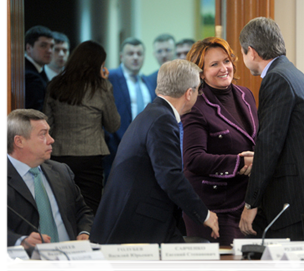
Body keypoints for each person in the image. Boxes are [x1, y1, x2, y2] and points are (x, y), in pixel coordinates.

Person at [90, 59, 219, 244]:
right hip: (136, 228)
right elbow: (170, 176)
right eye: (198, 89)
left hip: (135, 223)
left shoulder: (153, 113)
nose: (199, 94)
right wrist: (205, 214)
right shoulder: (162, 120)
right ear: (189, 93)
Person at [238, 17, 304, 240]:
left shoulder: (275, 79)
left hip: (296, 199)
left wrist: (251, 203)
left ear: (251, 51)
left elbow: (269, 144)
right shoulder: (295, 75)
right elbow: (295, 140)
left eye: (242, 53)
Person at [182, 37, 259, 245]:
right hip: (214, 210)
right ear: (201, 72)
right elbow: (193, 159)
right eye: (214, 64)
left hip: (247, 204)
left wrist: (257, 158)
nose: (223, 68)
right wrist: (240, 163)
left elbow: (256, 141)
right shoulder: (195, 106)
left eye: (226, 61)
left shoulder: (246, 95)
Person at [43, 40, 120, 215]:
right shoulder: (102, 88)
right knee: (90, 206)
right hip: (90, 156)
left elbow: (47, 123)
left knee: (60, 206)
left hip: (58, 154)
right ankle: (86, 239)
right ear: (97, 64)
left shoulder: (55, 84)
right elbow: (113, 125)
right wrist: (105, 85)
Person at [5, 109, 94, 249]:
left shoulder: (61, 171)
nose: (51, 140)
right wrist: (20, 241)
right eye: (43, 134)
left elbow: (82, 211)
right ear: (19, 141)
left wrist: (84, 231)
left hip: (72, 257)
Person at [103, 37, 157, 183]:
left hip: (146, 149)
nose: (135, 57)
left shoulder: (148, 82)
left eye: (139, 54)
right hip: (116, 148)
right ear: (121, 56)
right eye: (130, 53)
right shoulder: (110, 78)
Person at [24, 25, 54, 111]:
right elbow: (36, 113)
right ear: (29, 48)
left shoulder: (38, 70)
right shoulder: (30, 76)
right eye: (43, 45)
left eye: (51, 46)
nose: (49, 51)